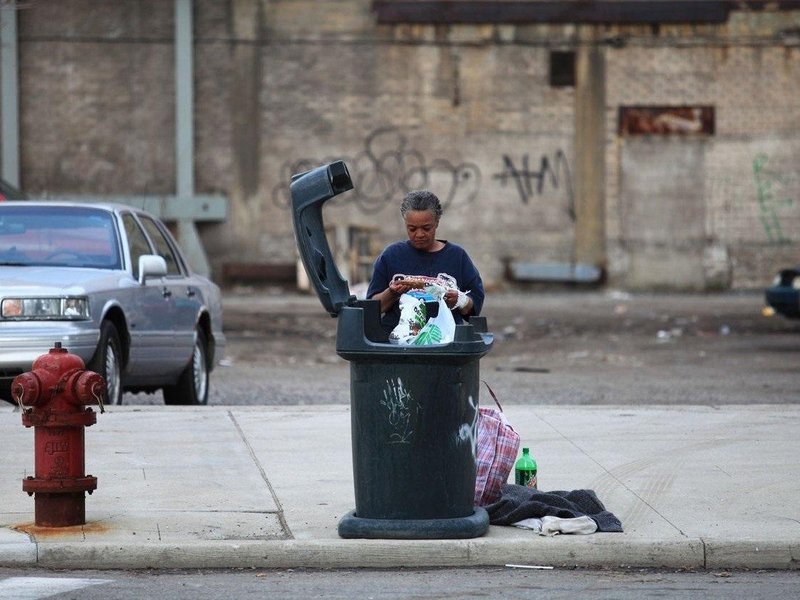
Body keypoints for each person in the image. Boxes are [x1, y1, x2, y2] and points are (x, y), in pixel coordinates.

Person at [366, 189, 485, 334]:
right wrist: (391, 293)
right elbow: (373, 308)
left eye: (426, 228)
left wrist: (460, 300)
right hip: (397, 345)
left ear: (437, 222)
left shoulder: (456, 257)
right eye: (412, 229)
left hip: (445, 342)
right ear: (405, 223)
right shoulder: (391, 256)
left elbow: (473, 309)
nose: (420, 234)